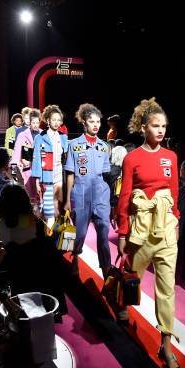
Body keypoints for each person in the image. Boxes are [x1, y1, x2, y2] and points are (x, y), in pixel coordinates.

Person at [117, 98, 180, 368]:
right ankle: (122, 307)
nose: (161, 130)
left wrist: (175, 221)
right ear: (144, 127)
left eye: (164, 126)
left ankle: (165, 343)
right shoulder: (132, 158)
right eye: (156, 126)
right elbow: (125, 196)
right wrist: (122, 232)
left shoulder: (172, 157)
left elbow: (175, 193)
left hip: (166, 228)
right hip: (141, 228)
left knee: (167, 290)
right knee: (132, 278)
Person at [64, 103, 111, 277]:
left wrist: (109, 199)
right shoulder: (74, 145)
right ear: (84, 122)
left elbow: (106, 175)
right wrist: (68, 199)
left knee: (104, 232)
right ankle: (75, 256)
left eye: (98, 121)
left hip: (101, 195)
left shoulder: (104, 146)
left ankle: (106, 268)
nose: (96, 125)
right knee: (79, 233)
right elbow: (70, 174)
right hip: (81, 194)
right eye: (92, 121)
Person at [32, 105, 68, 227]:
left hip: (59, 176)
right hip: (46, 176)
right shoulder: (40, 137)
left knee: (57, 208)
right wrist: (37, 180)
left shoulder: (63, 138)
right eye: (54, 120)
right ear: (47, 120)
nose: (57, 122)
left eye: (59, 120)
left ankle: (53, 237)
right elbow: (36, 159)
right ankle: (49, 237)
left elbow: (67, 159)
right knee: (49, 209)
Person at [12, 110, 40, 199]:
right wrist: (14, 166)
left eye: (37, 122)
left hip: (41, 168)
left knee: (40, 194)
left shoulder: (43, 134)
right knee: (28, 193)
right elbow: (16, 151)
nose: (35, 124)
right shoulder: (22, 135)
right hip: (27, 167)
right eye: (33, 122)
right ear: (30, 123)